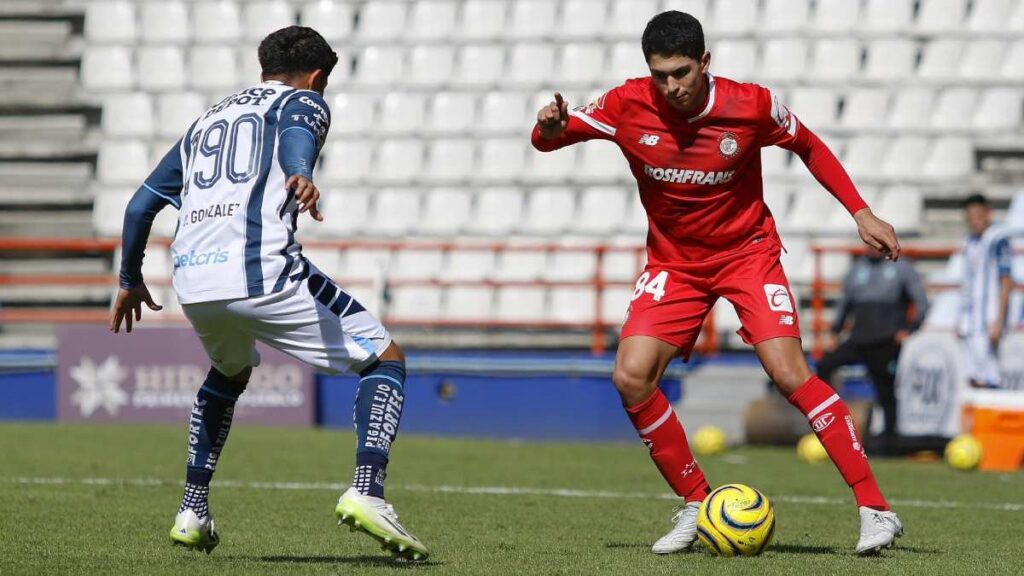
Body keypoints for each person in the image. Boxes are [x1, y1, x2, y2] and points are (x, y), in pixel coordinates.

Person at [531, 11, 902, 556]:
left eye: (681, 72)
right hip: (674, 265)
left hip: (747, 254)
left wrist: (861, 212)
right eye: (659, 75)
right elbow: (548, 141)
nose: (671, 86)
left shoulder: (748, 105)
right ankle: (698, 504)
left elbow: (810, 146)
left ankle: (876, 509)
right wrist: (549, 126)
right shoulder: (626, 104)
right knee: (631, 376)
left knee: (789, 373)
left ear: (705, 62)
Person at [110, 26, 427, 561]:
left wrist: (127, 279)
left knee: (229, 374)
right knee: (385, 358)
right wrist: (301, 172)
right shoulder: (303, 98)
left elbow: (140, 205)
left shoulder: (207, 119)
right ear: (319, 76)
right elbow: (296, 133)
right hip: (259, 270)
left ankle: (192, 510)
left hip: (193, 278)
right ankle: (368, 492)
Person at [816, 245, 929, 450]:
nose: (872, 248)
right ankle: (831, 416)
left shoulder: (902, 267)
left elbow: (921, 301)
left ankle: (890, 441)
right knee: (824, 365)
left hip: (886, 341)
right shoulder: (857, 269)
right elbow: (845, 304)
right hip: (859, 338)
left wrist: (909, 329)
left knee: (885, 391)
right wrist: (835, 331)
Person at [958, 193, 1013, 389]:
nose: (974, 221)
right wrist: (961, 318)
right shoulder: (969, 241)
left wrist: (999, 319)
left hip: (988, 320)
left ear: (988, 214)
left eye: (978, 216)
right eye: (970, 217)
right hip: (970, 320)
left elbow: (1006, 280)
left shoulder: (998, 240)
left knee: (989, 376)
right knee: (971, 376)